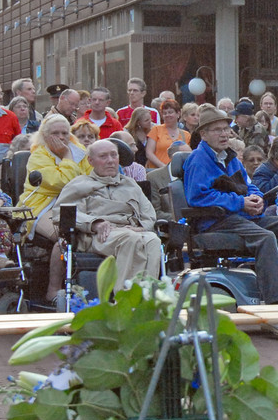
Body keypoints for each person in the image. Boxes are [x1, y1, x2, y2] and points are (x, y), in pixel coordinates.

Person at [183, 108, 278, 304]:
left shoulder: (230, 158)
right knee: (266, 237)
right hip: (215, 221)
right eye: (217, 130)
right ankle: (276, 301)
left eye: (226, 129)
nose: (224, 134)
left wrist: (256, 197)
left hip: (240, 217)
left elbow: (248, 184)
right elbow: (197, 198)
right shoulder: (197, 160)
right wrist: (240, 203)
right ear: (203, 134)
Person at [53, 139, 163, 292]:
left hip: (130, 230)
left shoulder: (131, 185)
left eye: (113, 155)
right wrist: (94, 223)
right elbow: (61, 214)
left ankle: (146, 297)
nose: (110, 161)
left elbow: (149, 214)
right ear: (91, 161)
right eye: (103, 156)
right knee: (130, 239)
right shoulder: (78, 184)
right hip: (98, 236)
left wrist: (142, 227)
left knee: (153, 240)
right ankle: (124, 299)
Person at [19, 113, 92, 240]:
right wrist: (67, 156)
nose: (61, 137)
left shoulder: (81, 152)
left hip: (80, 204)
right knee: (66, 236)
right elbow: (64, 183)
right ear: (45, 136)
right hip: (44, 207)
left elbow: (91, 179)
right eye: (55, 133)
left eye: (65, 133)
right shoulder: (38, 157)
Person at [145, 100, 191, 169]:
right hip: (158, 172)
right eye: (164, 113)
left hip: (178, 173)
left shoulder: (186, 134)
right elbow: (149, 153)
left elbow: (188, 155)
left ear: (178, 113)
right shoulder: (156, 130)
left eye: (170, 112)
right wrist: (163, 167)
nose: (167, 115)